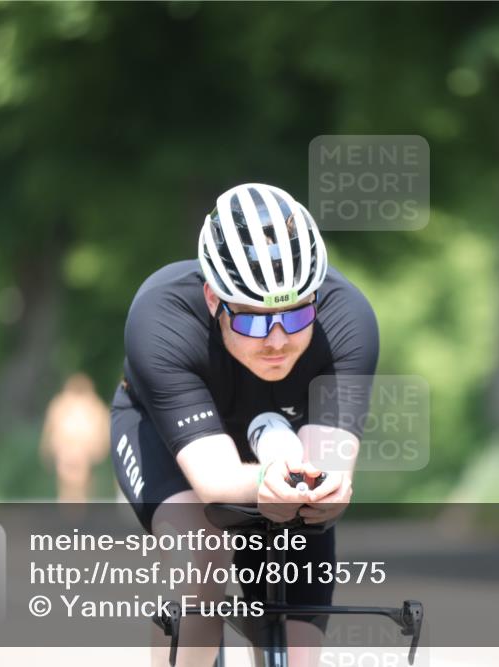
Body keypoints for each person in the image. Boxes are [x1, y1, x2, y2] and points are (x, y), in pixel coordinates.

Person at [110, 183, 378, 667]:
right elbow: (215, 482)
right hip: (168, 438)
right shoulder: (160, 318)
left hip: (283, 444)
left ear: (316, 297)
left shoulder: (348, 319)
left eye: (295, 316)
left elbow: (329, 468)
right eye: (253, 320)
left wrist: (326, 488)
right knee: (202, 560)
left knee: (299, 644)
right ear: (214, 298)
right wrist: (266, 481)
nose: (277, 340)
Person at [40, 373, 110, 502]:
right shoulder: (60, 404)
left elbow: (103, 438)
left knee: (78, 487)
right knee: (69, 486)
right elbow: (49, 432)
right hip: (69, 450)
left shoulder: (94, 406)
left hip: (83, 451)